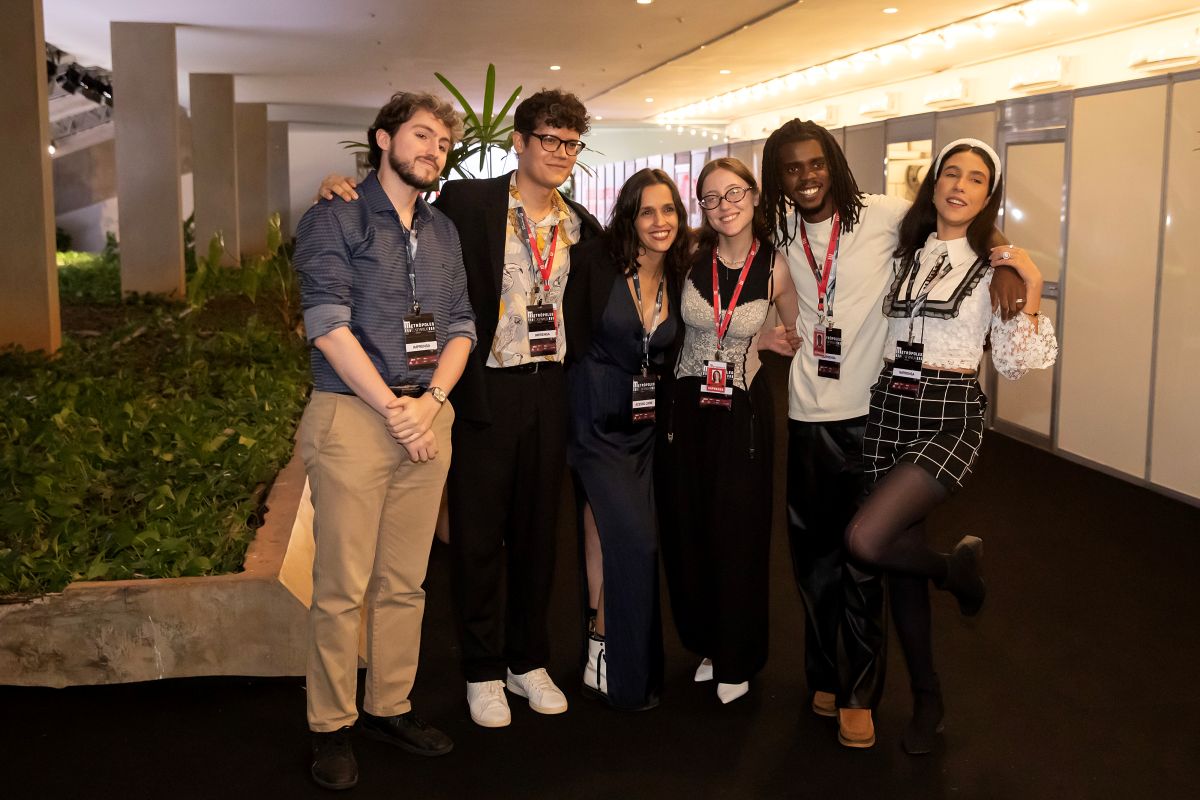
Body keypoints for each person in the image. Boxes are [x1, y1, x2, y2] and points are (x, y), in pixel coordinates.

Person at [321, 89, 601, 728]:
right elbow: (396, 213)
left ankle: (527, 660)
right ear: (520, 143)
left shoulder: (579, 221)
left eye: (570, 143)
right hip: (481, 391)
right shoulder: (467, 203)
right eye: (548, 140)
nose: (559, 153)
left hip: (551, 387)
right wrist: (337, 186)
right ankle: (481, 669)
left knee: (538, 534)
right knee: (478, 537)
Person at [760, 119, 1025, 748]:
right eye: (792, 168)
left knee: (864, 559)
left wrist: (1013, 259)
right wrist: (770, 329)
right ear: (779, 176)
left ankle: (861, 692)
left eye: (817, 164)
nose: (806, 177)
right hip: (806, 409)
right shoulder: (780, 227)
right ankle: (824, 673)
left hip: (872, 412)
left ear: (835, 164)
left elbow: (963, 209)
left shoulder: (883, 215)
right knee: (814, 562)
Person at [844, 139, 1056, 755]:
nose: (960, 186)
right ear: (934, 182)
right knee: (895, 560)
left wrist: (1035, 283)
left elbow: (1015, 366)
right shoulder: (905, 253)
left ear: (989, 196)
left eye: (976, 179)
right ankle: (928, 698)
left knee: (866, 539)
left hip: (949, 413)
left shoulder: (999, 266)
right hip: (889, 405)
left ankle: (955, 570)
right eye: (951, 173)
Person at [293, 91, 475, 791]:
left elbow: (459, 323)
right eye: (422, 135)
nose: (434, 150)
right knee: (341, 587)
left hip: (425, 417)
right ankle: (330, 725)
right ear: (383, 138)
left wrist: (428, 404)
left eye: (443, 143)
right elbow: (327, 325)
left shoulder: (442, 231)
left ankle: (388, 706)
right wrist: (397, 411)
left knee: (405, 582)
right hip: (354, 418)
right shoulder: (332, 216)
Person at [656, 157, 800, 705]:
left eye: (734, 193)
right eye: (712, 198)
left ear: (755, 195)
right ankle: (709, 644)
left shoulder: (777, 268)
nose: (725, 206)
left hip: (742, 413)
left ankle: (738, 655)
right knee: (690, 528)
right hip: (684, 410)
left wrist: (764, 340)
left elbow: (795, 330)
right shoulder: (689, 258)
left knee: (738, 533)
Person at [564, 168, 689, 710]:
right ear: (628, 216)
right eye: (647, 211)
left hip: (643, 429)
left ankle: (599, 643)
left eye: (668, 211)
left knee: (607, 534)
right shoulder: (595, 263)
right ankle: (629, 674)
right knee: (636, 542)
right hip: (592, 421)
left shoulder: (684, 272)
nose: (659, 222)